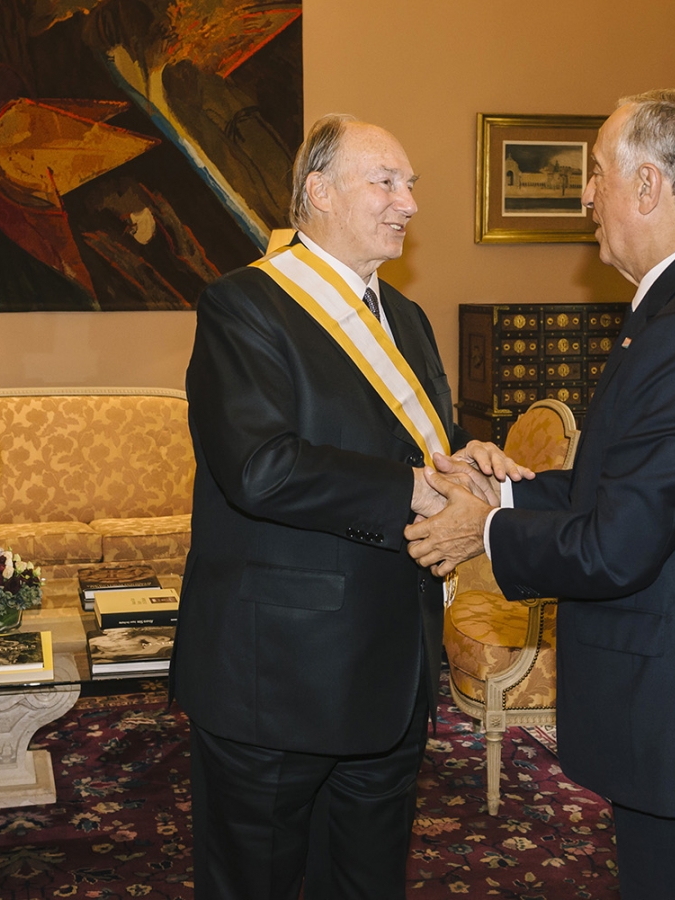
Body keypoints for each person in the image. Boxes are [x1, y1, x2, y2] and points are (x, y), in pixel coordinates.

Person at [405, 89, 675, 899]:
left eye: (596, 173)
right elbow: (633, 489)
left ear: (648, 188)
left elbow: (617, 546)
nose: (584, 196)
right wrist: (501, 493)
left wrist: (480, 535)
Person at [174, 113, 525, 900]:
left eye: (411, 186)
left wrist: (468, 456)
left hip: (391, 669)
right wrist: (414, 483)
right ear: (318, 192)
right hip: (279, 676)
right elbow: (260, 470)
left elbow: (420, 437)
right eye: (386, 182)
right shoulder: (242, 308)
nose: (407, 204)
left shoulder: (406, 317)